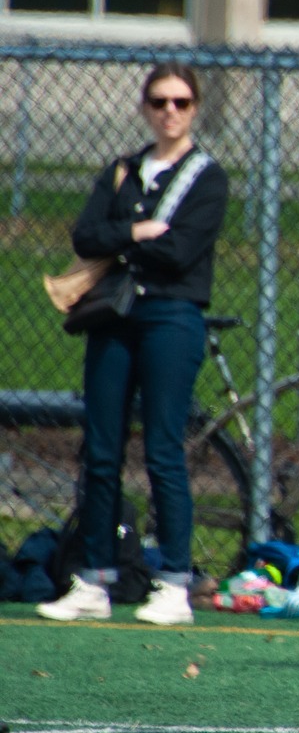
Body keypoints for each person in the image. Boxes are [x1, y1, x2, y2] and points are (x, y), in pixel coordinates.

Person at [39, 63, 229, 626]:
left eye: (181, 102)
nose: (170, 112)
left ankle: (173, 583)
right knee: (101, 450)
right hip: (113, 317)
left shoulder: (207, 178)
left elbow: (182, 252)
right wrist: (135, 233)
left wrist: (120, 242)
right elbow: (85, 235)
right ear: (145, 107)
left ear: (195, 109)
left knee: (164, 450)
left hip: (172, 317)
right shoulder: (123, 170)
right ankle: (94, 580)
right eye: (159, 101)